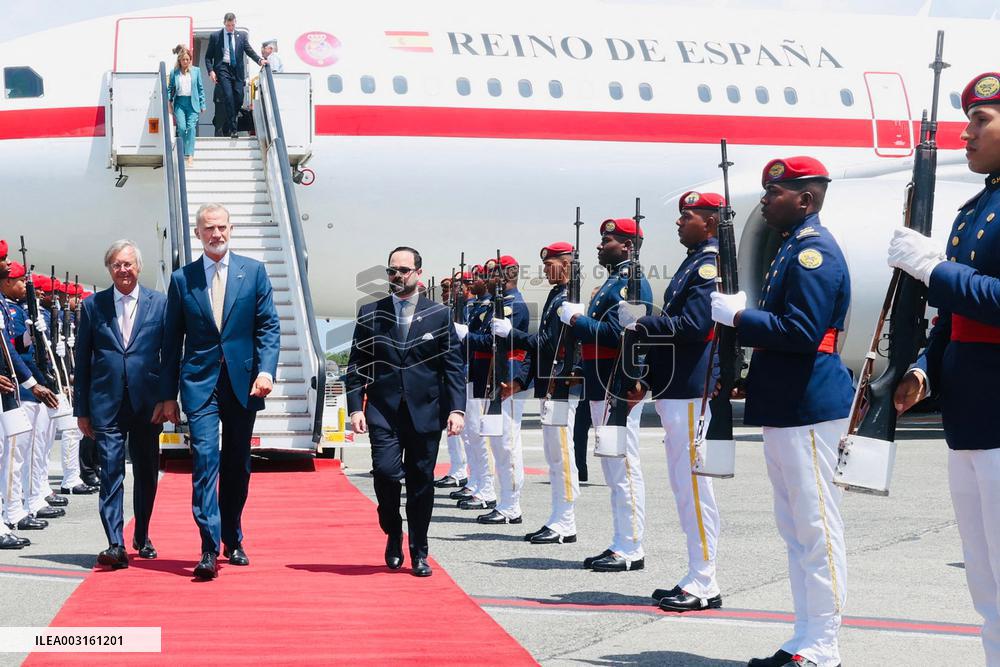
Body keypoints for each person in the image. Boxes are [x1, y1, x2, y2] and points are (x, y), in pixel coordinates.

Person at [711, 157, 853, 667]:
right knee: (796, 529)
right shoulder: (791, 250)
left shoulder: (814, 253)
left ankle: (824, 645)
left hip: (810, 405)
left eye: (776, 193)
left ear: (805, 200)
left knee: (816, 528)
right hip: (789, 404)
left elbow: (801, 332)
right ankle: (806, 636)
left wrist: (742, 317)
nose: (767, 200)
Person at [890, 72, 1000, 666]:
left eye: (981, 120)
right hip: (970, 418)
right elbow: (953, 318)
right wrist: (924, 371)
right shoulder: (974, 209)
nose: (968, 132)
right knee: (985, 581)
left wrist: (933, 269)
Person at [159, 203, 281, 580]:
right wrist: (167, 395)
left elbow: (268, 327)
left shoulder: (254, 272)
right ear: (198, 233)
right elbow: (171, 339)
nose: (217, 234)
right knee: (206, 461)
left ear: (231, 229)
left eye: (222, 227)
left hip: (243, 385)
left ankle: (234, 535)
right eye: (209, 228)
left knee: (237, 465)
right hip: (199, 384)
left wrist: (265, 370)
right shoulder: (183, 279)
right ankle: (208, 548)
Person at [629, 191, 724, 612]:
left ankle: (704, 580)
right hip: (676, 385)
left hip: (689, 386)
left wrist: (643, 320)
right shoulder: (693, 262)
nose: (679, 222)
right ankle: (697, 572)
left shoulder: (708, 262)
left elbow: (695, 325)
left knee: (693, 487)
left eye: (687, 216)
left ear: (709, 222)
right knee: (684, 486)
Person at [345, 246, 466, 577]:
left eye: (403, 270)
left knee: (420, 483)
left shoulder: (439, 315)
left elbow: (453, 367)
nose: (397, 276)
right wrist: (355, 406)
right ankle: (393, 529)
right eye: (391, 271)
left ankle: (419, 549)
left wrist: (457, 409)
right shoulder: (371, 312)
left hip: (425, 411)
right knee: (384, 474)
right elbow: (357, 365)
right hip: (383, 411)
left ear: (418, 274)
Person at [560, 217, 653, 572]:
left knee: (624, 469)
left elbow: (620, 336)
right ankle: (620, 542)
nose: (601, 246)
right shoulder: (614, 281)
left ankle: (631, 547)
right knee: (614, 470)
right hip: (602, 384)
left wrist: (577, 322)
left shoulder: (631, 284)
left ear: (628, 246)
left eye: (608, 240)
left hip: (617, 384)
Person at [74, 241, 167, 569]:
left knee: (146, 473)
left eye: (128, 264)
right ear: (109, 269)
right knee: (111, 471)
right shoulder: (92, 306)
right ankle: (115, 542)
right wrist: (81, 410)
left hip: (147, 403)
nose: (123, 270)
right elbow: (82, 360)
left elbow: (170, 357)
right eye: (116, 264)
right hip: (106, 403)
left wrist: (168, 398)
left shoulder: (160, 304)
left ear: (139, 267)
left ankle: (142, 533)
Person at [510, 241, 581, 544]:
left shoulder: (567, 297)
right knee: (554, 454)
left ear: (566, 263)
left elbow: (548, 344)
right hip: (552, 384)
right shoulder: (556, 295)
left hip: (563, 384)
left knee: (562, 454)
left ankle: (566, 521)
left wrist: (512, 336)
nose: (544, 269)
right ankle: (558, 516)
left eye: (550, 263)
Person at [462, 255, 531, 525]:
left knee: (507, 444)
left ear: (509, 274)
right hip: (493, 379)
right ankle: (504, 502)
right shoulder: (497, 305)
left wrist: (465, 336)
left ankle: (511, 505)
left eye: (494, 273)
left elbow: (500, 342)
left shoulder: (514, 305)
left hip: (507, 379)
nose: (489, 278)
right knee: (496, 441)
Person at [0, 262, 59, 533]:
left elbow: (13, 350)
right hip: (16, 390)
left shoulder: (7, 306)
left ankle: (18, 508)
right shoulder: (7, 307)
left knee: (22, 452)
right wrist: (33, 384)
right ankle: (15, 509)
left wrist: (42, 381)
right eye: (18, 279)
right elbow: (12, 351)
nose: (24, 285)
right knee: (14, 454)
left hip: (16, 386)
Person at [450, 265, 498, 510]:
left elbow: (490, 342)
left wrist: (465, 335)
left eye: (480, 277)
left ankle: (486, 489)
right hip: (471, 374)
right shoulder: (479, 307)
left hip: (483, 377)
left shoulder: (492, 306)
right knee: (470, 436)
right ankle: (477, 483)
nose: (478, 280)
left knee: (480, 437)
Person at [205, 12, 266, 139]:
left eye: (232, 25)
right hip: (223, 69)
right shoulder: (216, 36)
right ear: (224, 23)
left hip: (237, 70)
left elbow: (249, 51)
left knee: (238, 98)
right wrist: (211, 71)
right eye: (228, 25)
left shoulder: (242, 36)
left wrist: (260, 60)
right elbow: (208, 57)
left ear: (235, 23)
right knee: (228, 96)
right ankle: (233, 129)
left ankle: (227, 125)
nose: (230, 28)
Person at [434, 271, 468, 489]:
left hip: (465, 374)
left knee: (470, 436)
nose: (447, 292)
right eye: (445, 288)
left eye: (452, 287)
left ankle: (464, 472)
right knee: (452, 432)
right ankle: (457, 469)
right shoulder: (447, 312)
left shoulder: (466, 311)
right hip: (447, 376)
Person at [167, 45, 206, 167]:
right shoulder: (174, 72)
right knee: (182, 128)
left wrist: (202, 104)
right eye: (183, 59)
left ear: (190, 60)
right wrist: (169, 102)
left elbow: (200, 88)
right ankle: (183, 151)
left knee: (191, 128)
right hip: (180, 103)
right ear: (179, 60)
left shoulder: (196, 71)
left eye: (187, 59)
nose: (185, 62)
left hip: (192, 103)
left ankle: (190, 155)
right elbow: (170, 89)